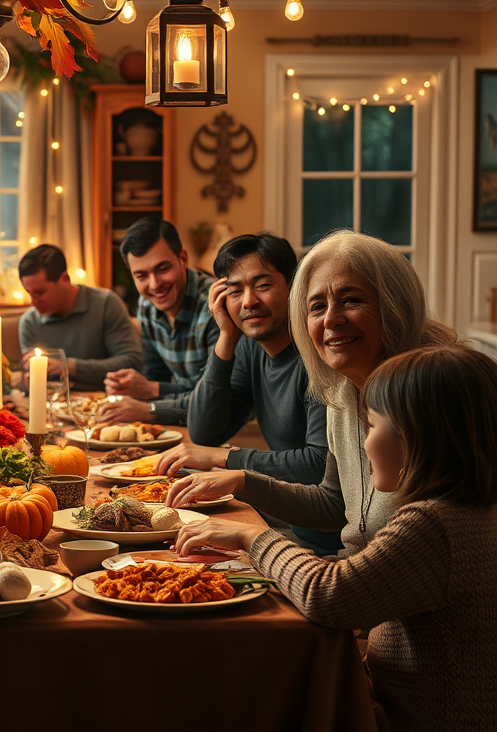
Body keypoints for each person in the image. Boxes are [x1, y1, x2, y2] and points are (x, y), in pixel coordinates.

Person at [173, 344, 497, 732]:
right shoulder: (469, 511)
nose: (363, 442)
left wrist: (253, 536)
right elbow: (366, 576)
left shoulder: (432, 524)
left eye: (373, 426)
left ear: (417, 437)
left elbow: (329, 595)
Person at [168, 229, 457, 557]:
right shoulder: (341, 388)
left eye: (351, 299)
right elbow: (336, 504)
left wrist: (254, 536)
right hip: (333, 562)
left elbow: (387, 567)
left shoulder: (431, 397)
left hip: (349, 574)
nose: (331, 319)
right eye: (318, 305)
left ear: (394, 304)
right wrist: (242, 482)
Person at [158, 233, 339, 555]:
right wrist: (226, 336)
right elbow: (205, 431)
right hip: (281, 522)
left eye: (263, 285)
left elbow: (318, 464)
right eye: (234, 290)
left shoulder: (319, 356)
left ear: (294, 286)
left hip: (322, 542)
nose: (248, 301)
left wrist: (225, 459)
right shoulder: (250, 349)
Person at [103, 218, 218, 425]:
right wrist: (130, 389)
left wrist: (151, 390)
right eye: (141, 276)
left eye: (162, 268)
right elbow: (157, 374)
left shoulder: (215, 308)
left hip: (230, 428)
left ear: (183, 258)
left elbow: (213, 396)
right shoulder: (147, 306)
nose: (155, 285)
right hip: (182, 419)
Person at [17, 244, 143, 391]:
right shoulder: (29, 322)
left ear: (65, 279)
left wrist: (67, 366)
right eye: (29, 293)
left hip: (106, 403)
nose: (33, 302)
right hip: (53, 407)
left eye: (40, 292)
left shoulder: (105, 304)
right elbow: (33, 384)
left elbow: (132, 361)